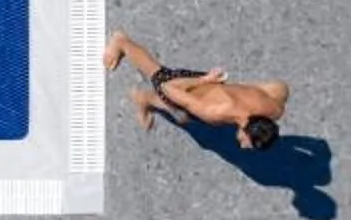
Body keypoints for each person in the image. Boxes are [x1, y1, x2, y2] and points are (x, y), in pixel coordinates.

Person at [106, 28, 286, 149]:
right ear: (247, 132)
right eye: (249, 144)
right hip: (185, 88)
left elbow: (281, 88)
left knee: (181, 112)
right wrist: (204, 80)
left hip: (213, 88)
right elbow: (168, 87)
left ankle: (144, 99)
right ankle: (122, 42)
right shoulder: (212, 112)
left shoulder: (272, 109)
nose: (245, 147)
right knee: (156, 73)